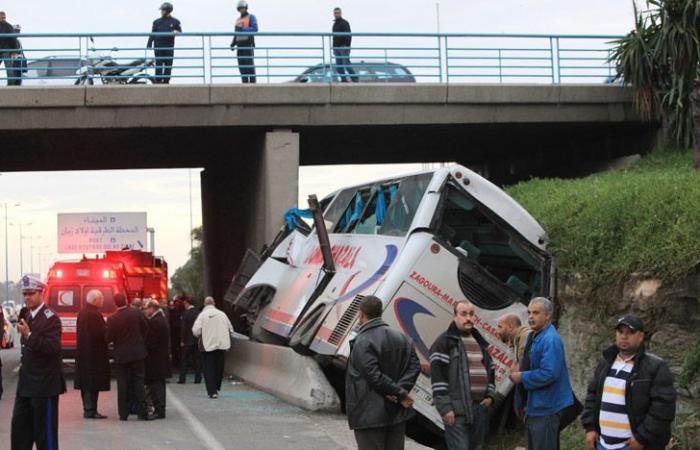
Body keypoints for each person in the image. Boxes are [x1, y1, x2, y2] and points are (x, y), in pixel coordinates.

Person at [581, 315, 676, 450]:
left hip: (632, 445)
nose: (624, 336)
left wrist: (642, 438)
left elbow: (663, 408)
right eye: (620, 332)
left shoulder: (655, 366)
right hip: (602, 443)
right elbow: (592, 396)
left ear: (641, 336)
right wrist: (590, 428)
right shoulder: (606, 362)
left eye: (630, 333)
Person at [345, 295, 421, 450]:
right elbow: (415, 366)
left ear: (361, 314)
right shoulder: (402, 337)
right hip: (396, 414)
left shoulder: (363, 341)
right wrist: (401, 391)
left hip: (368, 415)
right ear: (380, 312)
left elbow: (373, 376)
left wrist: (399, 392)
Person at [429, 300, 496, 450]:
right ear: (454, 317)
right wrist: (445, 408)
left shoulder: (480, 342)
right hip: (456, 411)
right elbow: (438, 379)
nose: (468, 318)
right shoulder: (444, 342)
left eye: (471, 314)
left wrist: (490, 396)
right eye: (463, 314)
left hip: (479, 408)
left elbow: (490, 370)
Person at [509, 297, 573, 450]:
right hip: (535, 407)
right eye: (529, 312)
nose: (530, 317)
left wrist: (521, 376)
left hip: (546, 408)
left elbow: (549, 373)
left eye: (536, 313)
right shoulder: (534, 335)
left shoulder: (550, 340)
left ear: (548, 316)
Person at [11, 275, 66, 450]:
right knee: (20, 433)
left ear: (41, 293)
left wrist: (29, 335)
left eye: (31, 293)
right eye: (25, 294)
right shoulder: (27, 315)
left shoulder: (51, 318)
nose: (27, 297)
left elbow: (52, 348)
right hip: (26, 385)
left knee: (45, 436)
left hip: (44, 387)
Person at [106, 293, 153, 421]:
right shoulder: (136, 313)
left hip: (121, 355)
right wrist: (140, 341)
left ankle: (123, 413)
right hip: (138, 354)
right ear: (126, 301)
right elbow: (146, 327)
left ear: (115, 303)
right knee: (138, 381)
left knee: (122, 383)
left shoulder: (112, 319)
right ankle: (142, 412)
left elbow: (108, 338)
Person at [74, 289, 110, 419]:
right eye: (101, 298)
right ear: (95, 300)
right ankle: (91, 410)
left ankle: (88, 408)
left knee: (85, 383)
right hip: (94, 354)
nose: (103, 301)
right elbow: (100, 334)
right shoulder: (95, 315)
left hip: (83, 352)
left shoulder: (82, 313)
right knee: (93, 383)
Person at [192, 297, 234, 398]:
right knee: (219, 367)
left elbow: (196, 331)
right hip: (222, 345)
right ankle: (217, 386)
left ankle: (212, 391)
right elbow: (231, 329)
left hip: (208, 346)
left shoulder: (202, 315)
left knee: (208, 369)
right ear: (214, 303)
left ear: (204, 304)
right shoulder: (222, 314)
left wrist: (202, 335)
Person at [144, 299, 170, 419]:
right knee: (159, 385)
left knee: (156, 386)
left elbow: (151, 342)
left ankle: (159, 410)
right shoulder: (161, 319)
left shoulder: (155, 322)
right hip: (161, 359)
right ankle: (160, 409)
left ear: (152, 308)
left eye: (146, 308)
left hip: (155, 360)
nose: (145, 311)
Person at [146, 2, 181, 84]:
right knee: (159, 64)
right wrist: (149, 44)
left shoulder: (175, 21)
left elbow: (179, 31)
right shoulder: (157, 22)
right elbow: (152, 33)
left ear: (168, 10)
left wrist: (176, 32)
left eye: (163, 10)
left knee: (168, 65)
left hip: (169, 46)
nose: (161, 11)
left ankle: (166, 81)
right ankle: (158, 81)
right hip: (158, 46)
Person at [230, 0, 258, 83]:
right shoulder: (238, 20)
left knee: (249, 66)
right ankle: (244, 84)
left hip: (248, 44)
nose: (241, 10)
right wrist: (233, 43)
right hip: (240, 45)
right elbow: (236, 33)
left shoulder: (251, 17)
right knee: (241, 66)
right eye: (240, 8)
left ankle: (253, 84)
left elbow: (255, 29)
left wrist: (243, 29)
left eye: (243, 8)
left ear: (246, 8)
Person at [178, 297, 202, 384]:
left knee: (185, 360)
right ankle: (198, 378)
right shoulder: (199, 313)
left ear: (187, 303)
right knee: (197, 360)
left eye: (184, 304)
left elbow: (183, 328)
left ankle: (182, 379)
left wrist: (182, 340)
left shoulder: (185, 314)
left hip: (187, 340)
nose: (184, 306)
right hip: (197, 340)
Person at [332, 7, 358, 83]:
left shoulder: (344, 22)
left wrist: (347, 46)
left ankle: (355, 79)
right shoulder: (334, 24)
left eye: (338, 13)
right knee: (338, 67)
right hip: (336, 48)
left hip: (343, 47)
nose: (337, 14)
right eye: (335, 13)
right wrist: (334, 47)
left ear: (341, 13)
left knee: (346, 64)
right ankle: (344, 80)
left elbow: (349, 35)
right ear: (333, 14)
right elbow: (334, 36)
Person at [0, 11, 20, 86]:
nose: (3, 19)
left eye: (4, 17)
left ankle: (11, 84)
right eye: (1, 17)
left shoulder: (8, 26)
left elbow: (13, 39)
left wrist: (14, 51)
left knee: (9, 67)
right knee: (9, 67)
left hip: (6, 50)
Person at [168, 297, 183, 369]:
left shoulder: (171, 312)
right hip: (177, 334)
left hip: (174, 334)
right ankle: (177, 362)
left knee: (175, 349)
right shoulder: (180, 312)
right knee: (178, 349)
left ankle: (175, 363)